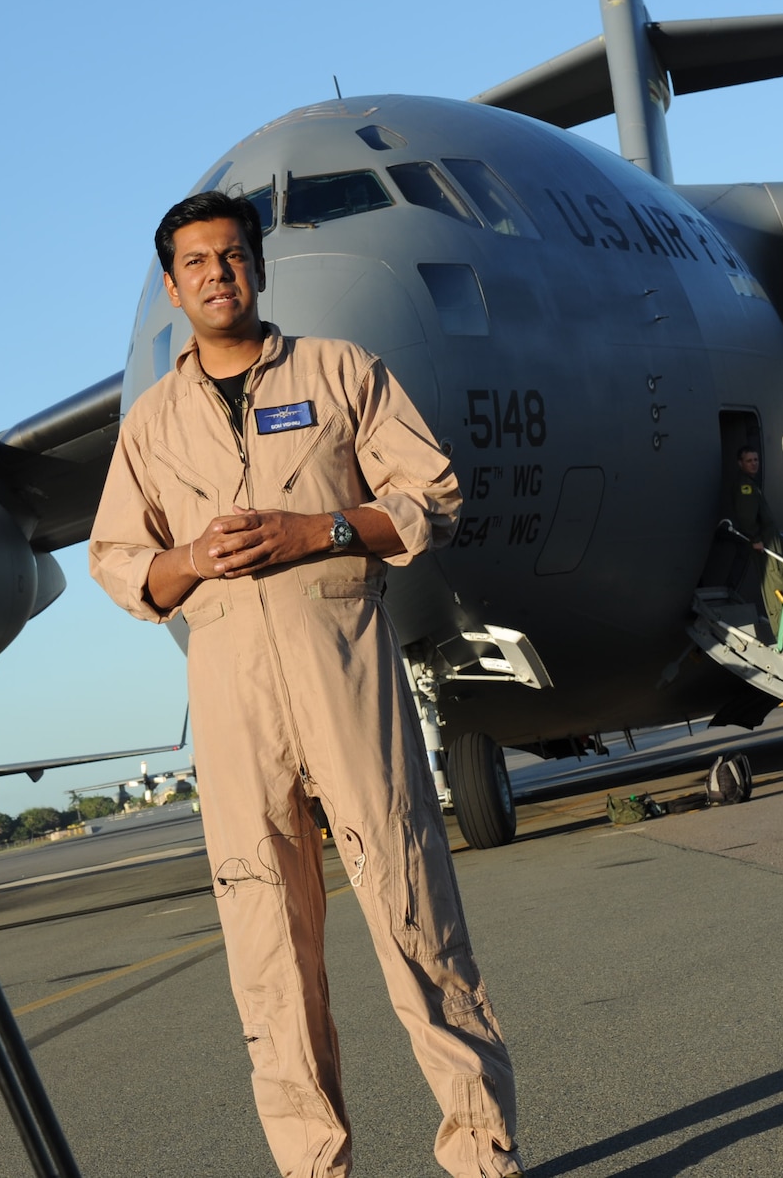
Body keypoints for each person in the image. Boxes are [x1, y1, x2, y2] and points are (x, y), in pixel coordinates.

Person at [90, 192, 523, 1178]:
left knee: (413, 910)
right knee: (267, 949)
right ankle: (312, 1165)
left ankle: (480, 1152)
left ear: (256, 267)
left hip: (343, 670)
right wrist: (192, 555)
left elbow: (431, 494)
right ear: (172, 285)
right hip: (232, 695)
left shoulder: (339, 373)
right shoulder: (151, 425)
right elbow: (122, 565)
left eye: (232, 255)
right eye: (195, 261)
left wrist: (313, 529)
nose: (215, 273)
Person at [728, 445, 783, 642]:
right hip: (763, 542)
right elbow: (747, 516)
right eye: (749, 461)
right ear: (740, 463)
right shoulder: (745, 485)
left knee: (782, 580)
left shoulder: (751, 483)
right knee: (775, 583)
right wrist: (755, 539)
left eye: (756, 460)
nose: (754, 464)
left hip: (770, 539)